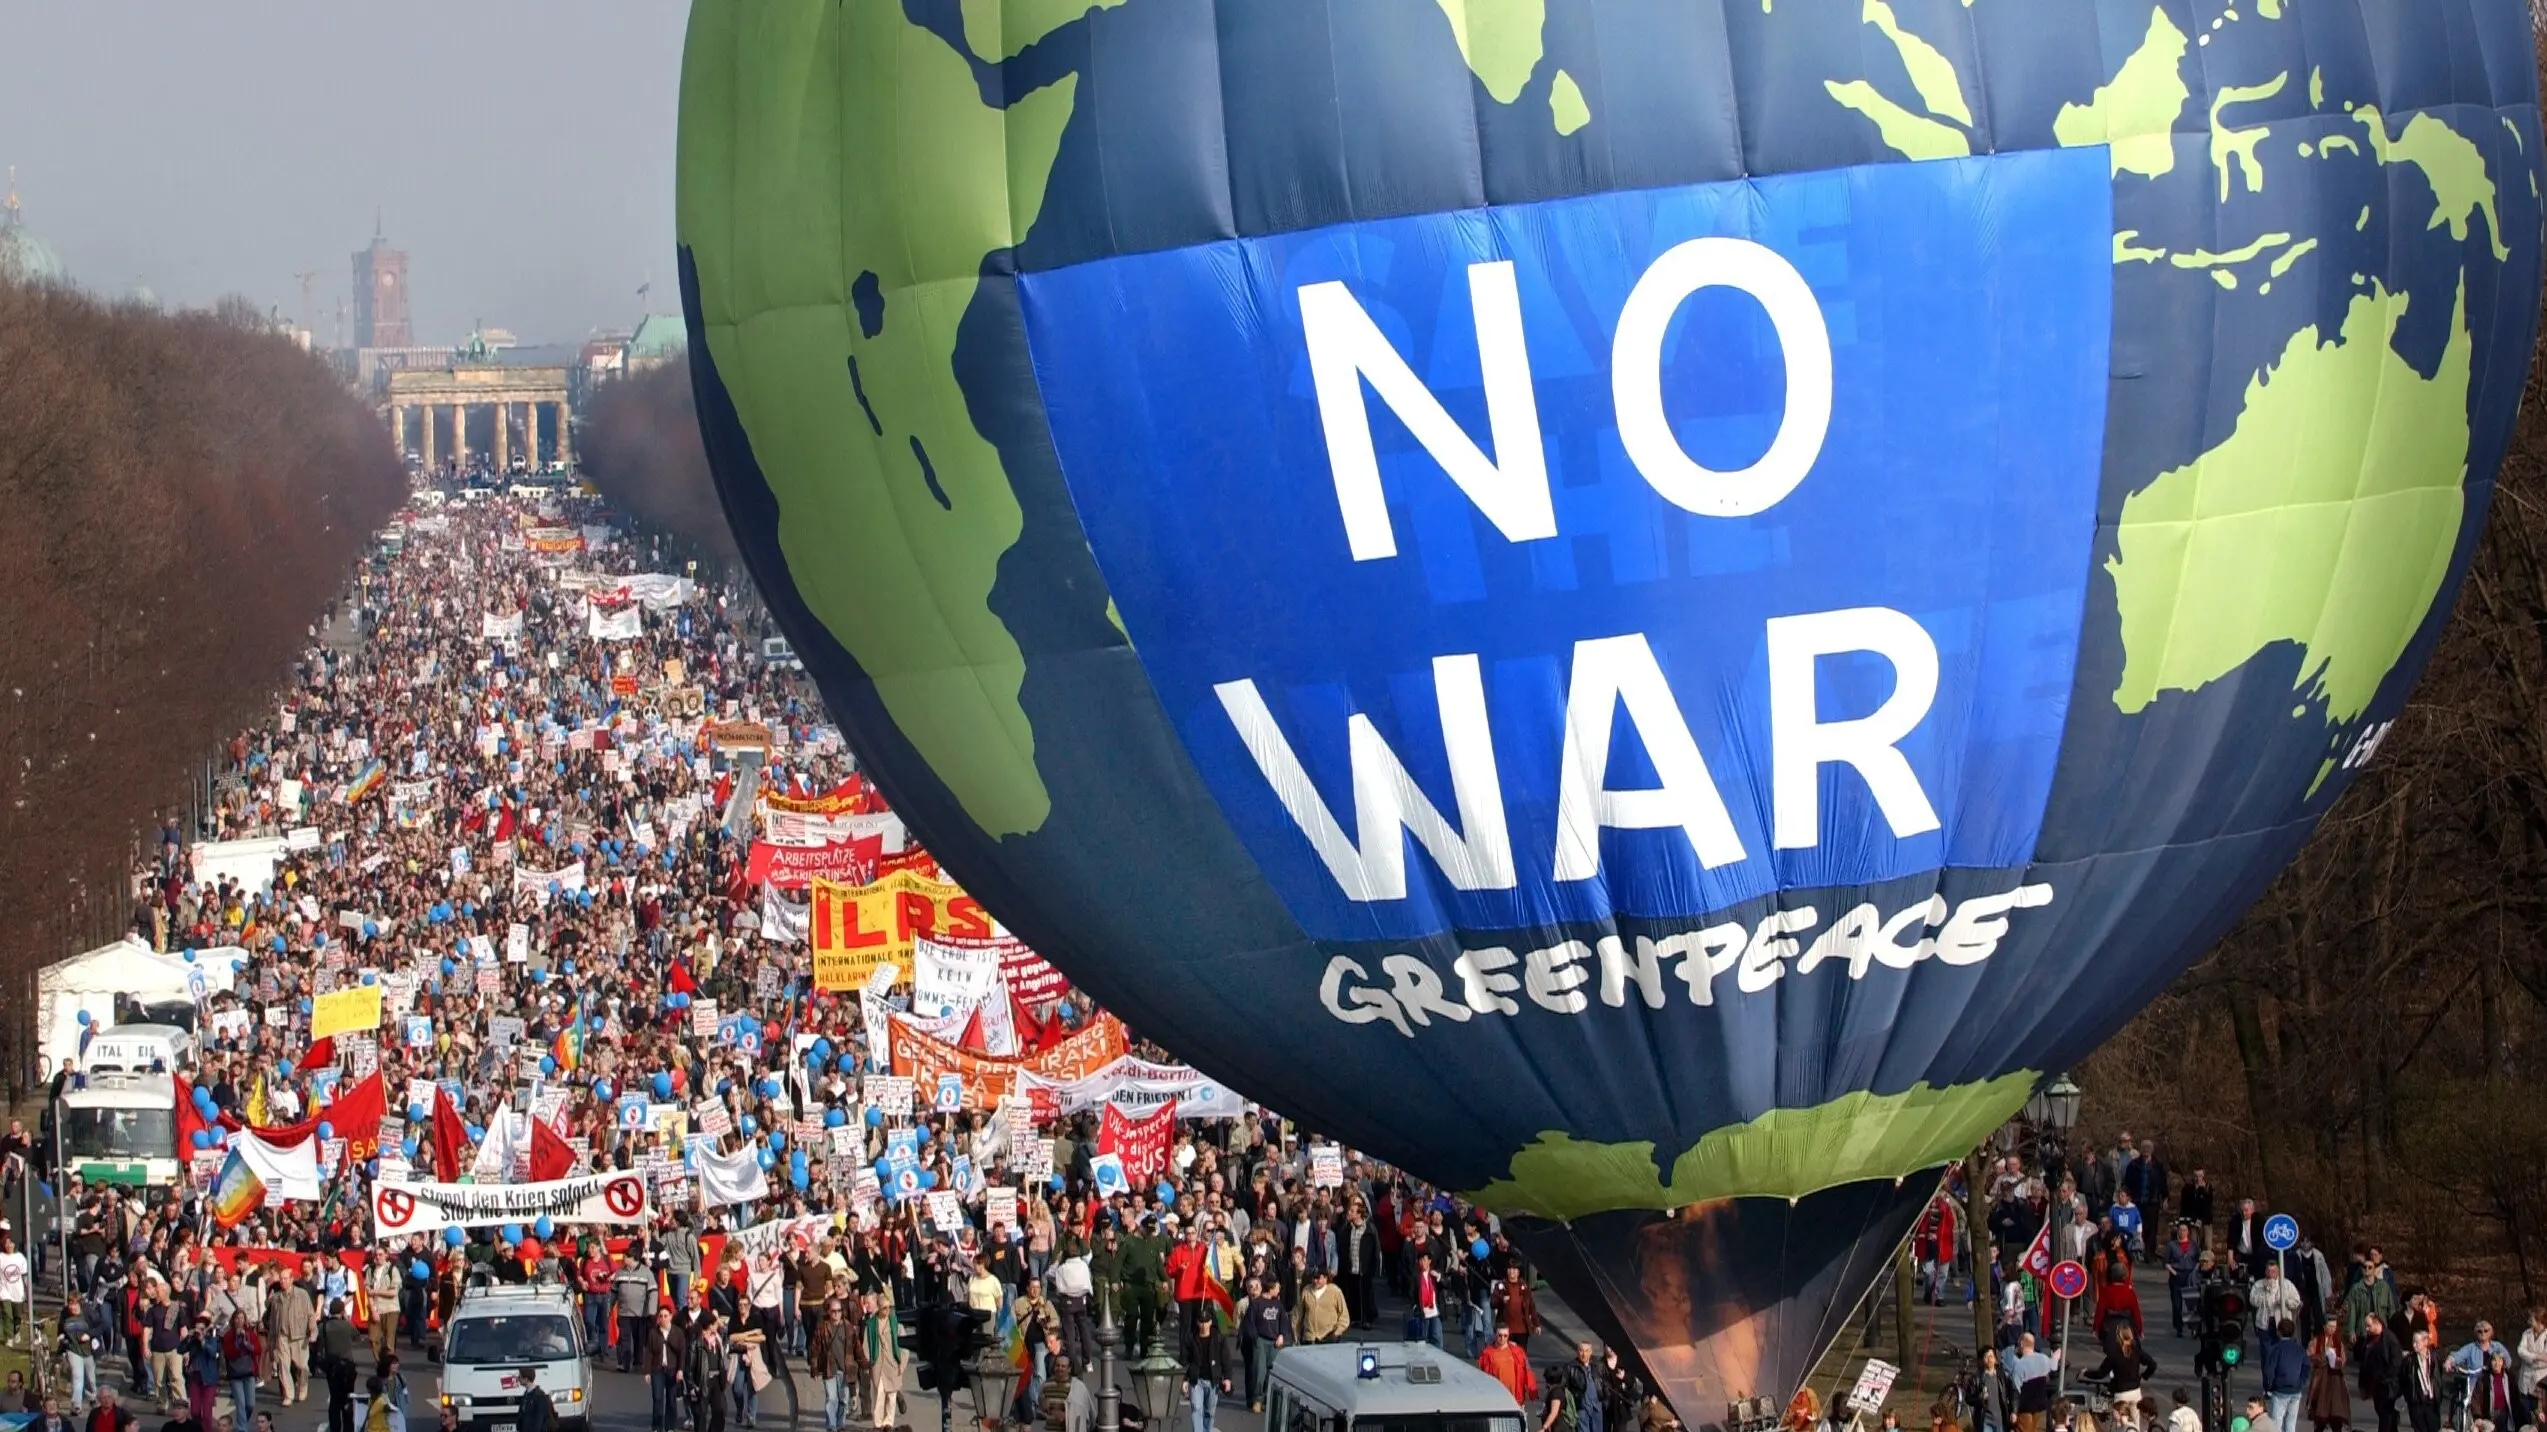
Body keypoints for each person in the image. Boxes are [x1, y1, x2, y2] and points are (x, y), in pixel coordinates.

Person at [2086, 1327, 2157, 1432]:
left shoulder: (2114, 1354)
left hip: (2121, 1392)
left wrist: (2086, 1373)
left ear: (2118, 1338)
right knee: (2136, 1425)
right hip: (2135, 1391)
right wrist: (2143, 1376)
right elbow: (2153, 1364)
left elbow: (2101, 1373)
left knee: (2120, 1424)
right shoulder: (2136, 1351)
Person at [1240, 1276, 1285, 1412]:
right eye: (1277, 1288)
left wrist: (1282, 1336)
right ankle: (1257, 1400)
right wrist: (1256, 1339)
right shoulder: (1256, 1304)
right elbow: (1249, 1324)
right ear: (1271, 1289)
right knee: (1259, 1371)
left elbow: (1283, 1321)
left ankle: (1267, 1399)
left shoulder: (1278, 1304)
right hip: (1260, 1341)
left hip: (1274, 1343)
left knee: (1270, 1372)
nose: (1279, 1291)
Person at [640, 1306, 685, 1432]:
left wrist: (680, 1370)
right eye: (661, 1316)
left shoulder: (678, 1332)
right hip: (657, 1369)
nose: (663, 1318)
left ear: (670, 1316)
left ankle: (670, 1426)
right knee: (657, 1398)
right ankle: (657, 1427)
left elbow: (682, 1352)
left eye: (666, 1316)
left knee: (671, 1399)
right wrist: (647, 1371)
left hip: (672, 1369)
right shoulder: (653, 1333)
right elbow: (648, 1352)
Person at [2357, 1313, 2405, 1432]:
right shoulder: (2369, 1339)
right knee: (2383, 1414)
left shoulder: (2390, 1339)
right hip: (2376, 1385)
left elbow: (2396, 1363)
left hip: (2388, 1385)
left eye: (2369, 1326)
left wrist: (2384, 1378)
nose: (2366, 1329)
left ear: (2377, 1323)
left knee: (2386, 1416)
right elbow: (2364, 1362)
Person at [271, 1276, 314, 1409]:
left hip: (299, 1336)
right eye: (281, 1279)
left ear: (291, 1279)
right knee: (283, 1366)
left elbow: (310, 1314)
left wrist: (313, 1331)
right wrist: (271, 1340)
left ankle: (302, 1385)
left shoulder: (302, 1294)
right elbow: (273, 1320)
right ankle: (288, 1395)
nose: (282, 1281)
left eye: (285, 1279)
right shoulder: (276, 1298)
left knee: (302, 1366)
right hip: (282, 1336)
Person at [2005, 1332, 2059, 1432]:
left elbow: (2015, 1390)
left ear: (2021, 1344)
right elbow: (2054, 1369)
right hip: (2040, 1407)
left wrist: (2014, 1412)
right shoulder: (2044, 1359)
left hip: (2025, 1409)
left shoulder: (2020, 1365)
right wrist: (2055, 1357)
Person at [2262, 1319, 2310, 1432]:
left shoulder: (2276, 1349)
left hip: (2280, 1391)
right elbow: (2306, 1367)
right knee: (2291, 1423)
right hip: (2296, 1390)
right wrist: (2301, 1383)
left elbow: (2269, 1370)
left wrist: (2269, 1386)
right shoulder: (2300, 1349)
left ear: (2278, 1332)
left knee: (2276, 1423)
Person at [2305, 1318, 2351, 1432]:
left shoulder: (2338, 1342)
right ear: (2325, 1327)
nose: (2333, 1329)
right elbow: (2309, 1355)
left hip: (2336, 1380)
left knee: (2336, 1409)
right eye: (2330, 1326)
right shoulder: (2316, 1340)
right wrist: (2322, 1357)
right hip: (2321, 1378)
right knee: (2320, 1410)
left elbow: (2343, 1359)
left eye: (2335, 1327)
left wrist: (2338, 1360)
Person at [1479, 1327, 1537, 1410]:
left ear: (1508, 1335)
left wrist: (1532, 1390)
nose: (1502, 1338)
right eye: (1500, 1335)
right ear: (1495, 1335)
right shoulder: (1487, 1353)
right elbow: (1482, 1377)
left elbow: (1527, 1371)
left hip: (1516, 1398)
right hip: (1496, 1398)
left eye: (1505, 1336)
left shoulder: (1518, 1352)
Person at [1961, 1347, 2016, 1432]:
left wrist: (2013, 1411)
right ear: (1982, 1360)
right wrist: (1979, 1399)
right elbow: (1968, 1398)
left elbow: (2013, 1392)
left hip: (2001, 1420)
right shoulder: (1977, 1378)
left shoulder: (2002, 1376)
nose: (1989, 1359)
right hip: (1985, 1421)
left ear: (1995, 1359)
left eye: (1991, 1356)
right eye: (1986, 1356)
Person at [221, 1314, 262, 1425]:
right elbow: (229, 1354)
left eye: (242, 1318)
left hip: (249, 1372)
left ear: (245, 1320)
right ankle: (241, 1428)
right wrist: (237, 1341)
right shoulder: (228, 1336)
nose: (239, 1321)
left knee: (250, 1404)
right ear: (233, 1320)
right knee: (240, 1403)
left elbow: (258, 1350)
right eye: (237, 1318)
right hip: (235, 1374)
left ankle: (243, 1421)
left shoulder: (250, 1334)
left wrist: (246, 1343)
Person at [513, 1366, 555, 1432]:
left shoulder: (540, 1396)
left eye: (520, 1377)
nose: (518, 1379)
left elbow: (539, 1419)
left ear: (526, 1379)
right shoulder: (526, 1394)